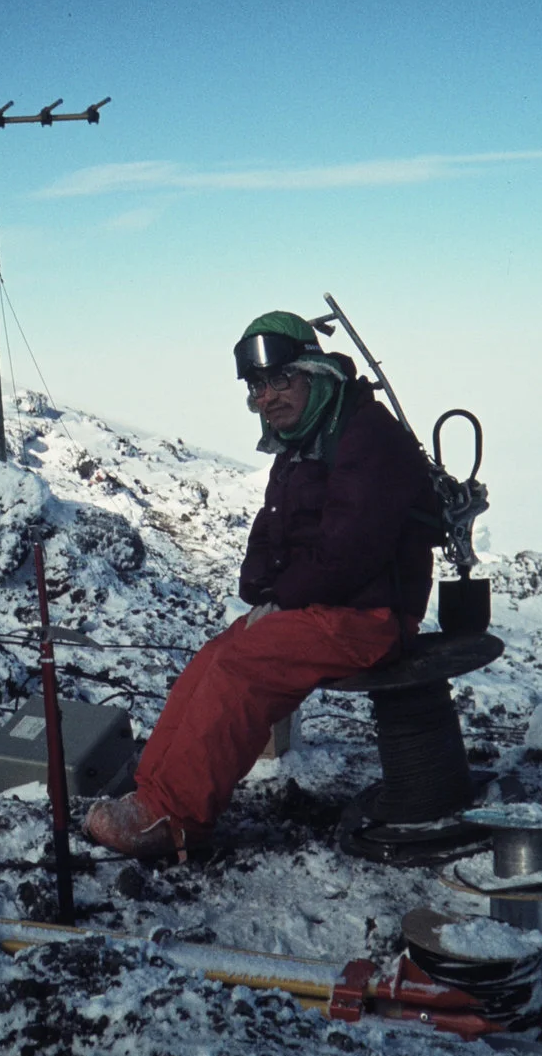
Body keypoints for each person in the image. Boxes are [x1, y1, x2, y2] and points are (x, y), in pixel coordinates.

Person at [84, 310, 439, 859]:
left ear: (315, 372)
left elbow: (351, 549)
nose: (267, 397)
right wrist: (263, 592)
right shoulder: (304, 440)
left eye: (279, 380)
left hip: (370, 615)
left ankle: (175, 818)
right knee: (215, 656)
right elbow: (273, 530)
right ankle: (151, 797)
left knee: (238, 668)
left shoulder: (365, 436)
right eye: (256, 387)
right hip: (323, 606)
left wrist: (280, 600)